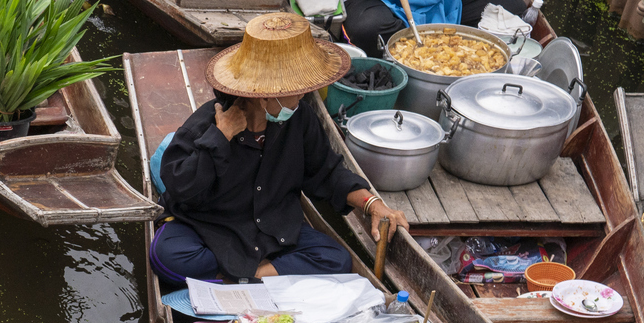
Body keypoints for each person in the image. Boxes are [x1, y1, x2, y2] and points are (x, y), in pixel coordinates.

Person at [152, 14, 406, 284]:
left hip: (273, 230)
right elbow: (179, 188)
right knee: (168, 256)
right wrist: (220, 136)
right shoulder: (207, 124)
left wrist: (372, 204)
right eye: (294, 91)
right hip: (211, 228)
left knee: (337, 259)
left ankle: (252, 275)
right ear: (264, 95)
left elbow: (327, 173)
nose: (302, 96)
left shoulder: (300, 118)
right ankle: (260, 276)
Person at [343, 0, 534, 71]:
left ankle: (432, 37)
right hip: (384, 3)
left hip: (446, 2)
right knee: (367, 28)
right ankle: (411, 44)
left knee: (517, 5)